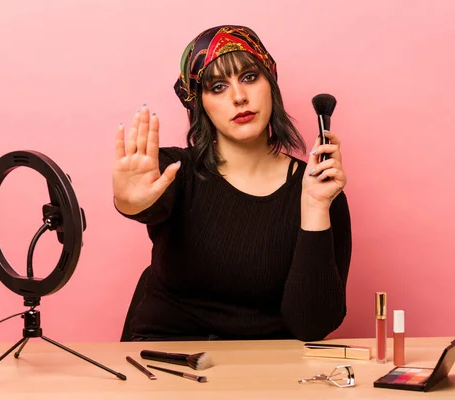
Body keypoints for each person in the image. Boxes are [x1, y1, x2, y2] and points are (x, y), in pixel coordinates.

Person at [112, 25, 352, 342]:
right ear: (199, 103)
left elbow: (312, 325)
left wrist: (315, 208)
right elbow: (146, 202)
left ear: (271, 84)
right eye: (218, 87)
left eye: (250, 78)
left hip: (266, 370)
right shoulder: (174, 171)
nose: (239, 97)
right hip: (166, 361)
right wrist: (130, 203)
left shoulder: (320, 188)